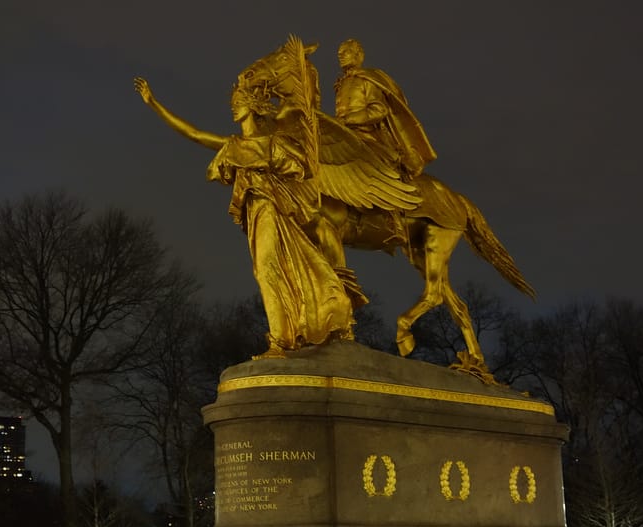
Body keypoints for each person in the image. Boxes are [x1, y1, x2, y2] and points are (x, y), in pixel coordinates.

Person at [134, 75, 354, 358]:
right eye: (233, 103)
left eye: (238, 102)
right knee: (267, 270)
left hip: (272, 210)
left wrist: (280, 156)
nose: (233, 107)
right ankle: (288, 334)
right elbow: (195, 134)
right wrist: (154, 103)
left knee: (267, 268)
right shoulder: (235, 146)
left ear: (252, 106)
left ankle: (280, 341)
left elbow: (304, 168)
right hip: (256, 215)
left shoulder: (272, 144)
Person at [333, 39, 436, 248]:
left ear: (359, 56)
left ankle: (394, 220)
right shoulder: (341, 84)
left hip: (369, 136)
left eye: (346, 51)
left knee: (376, 164)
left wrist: (348, 120)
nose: (341, 55)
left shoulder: (367, 80)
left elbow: (378, 109)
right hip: (346, 135)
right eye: (339, 52)